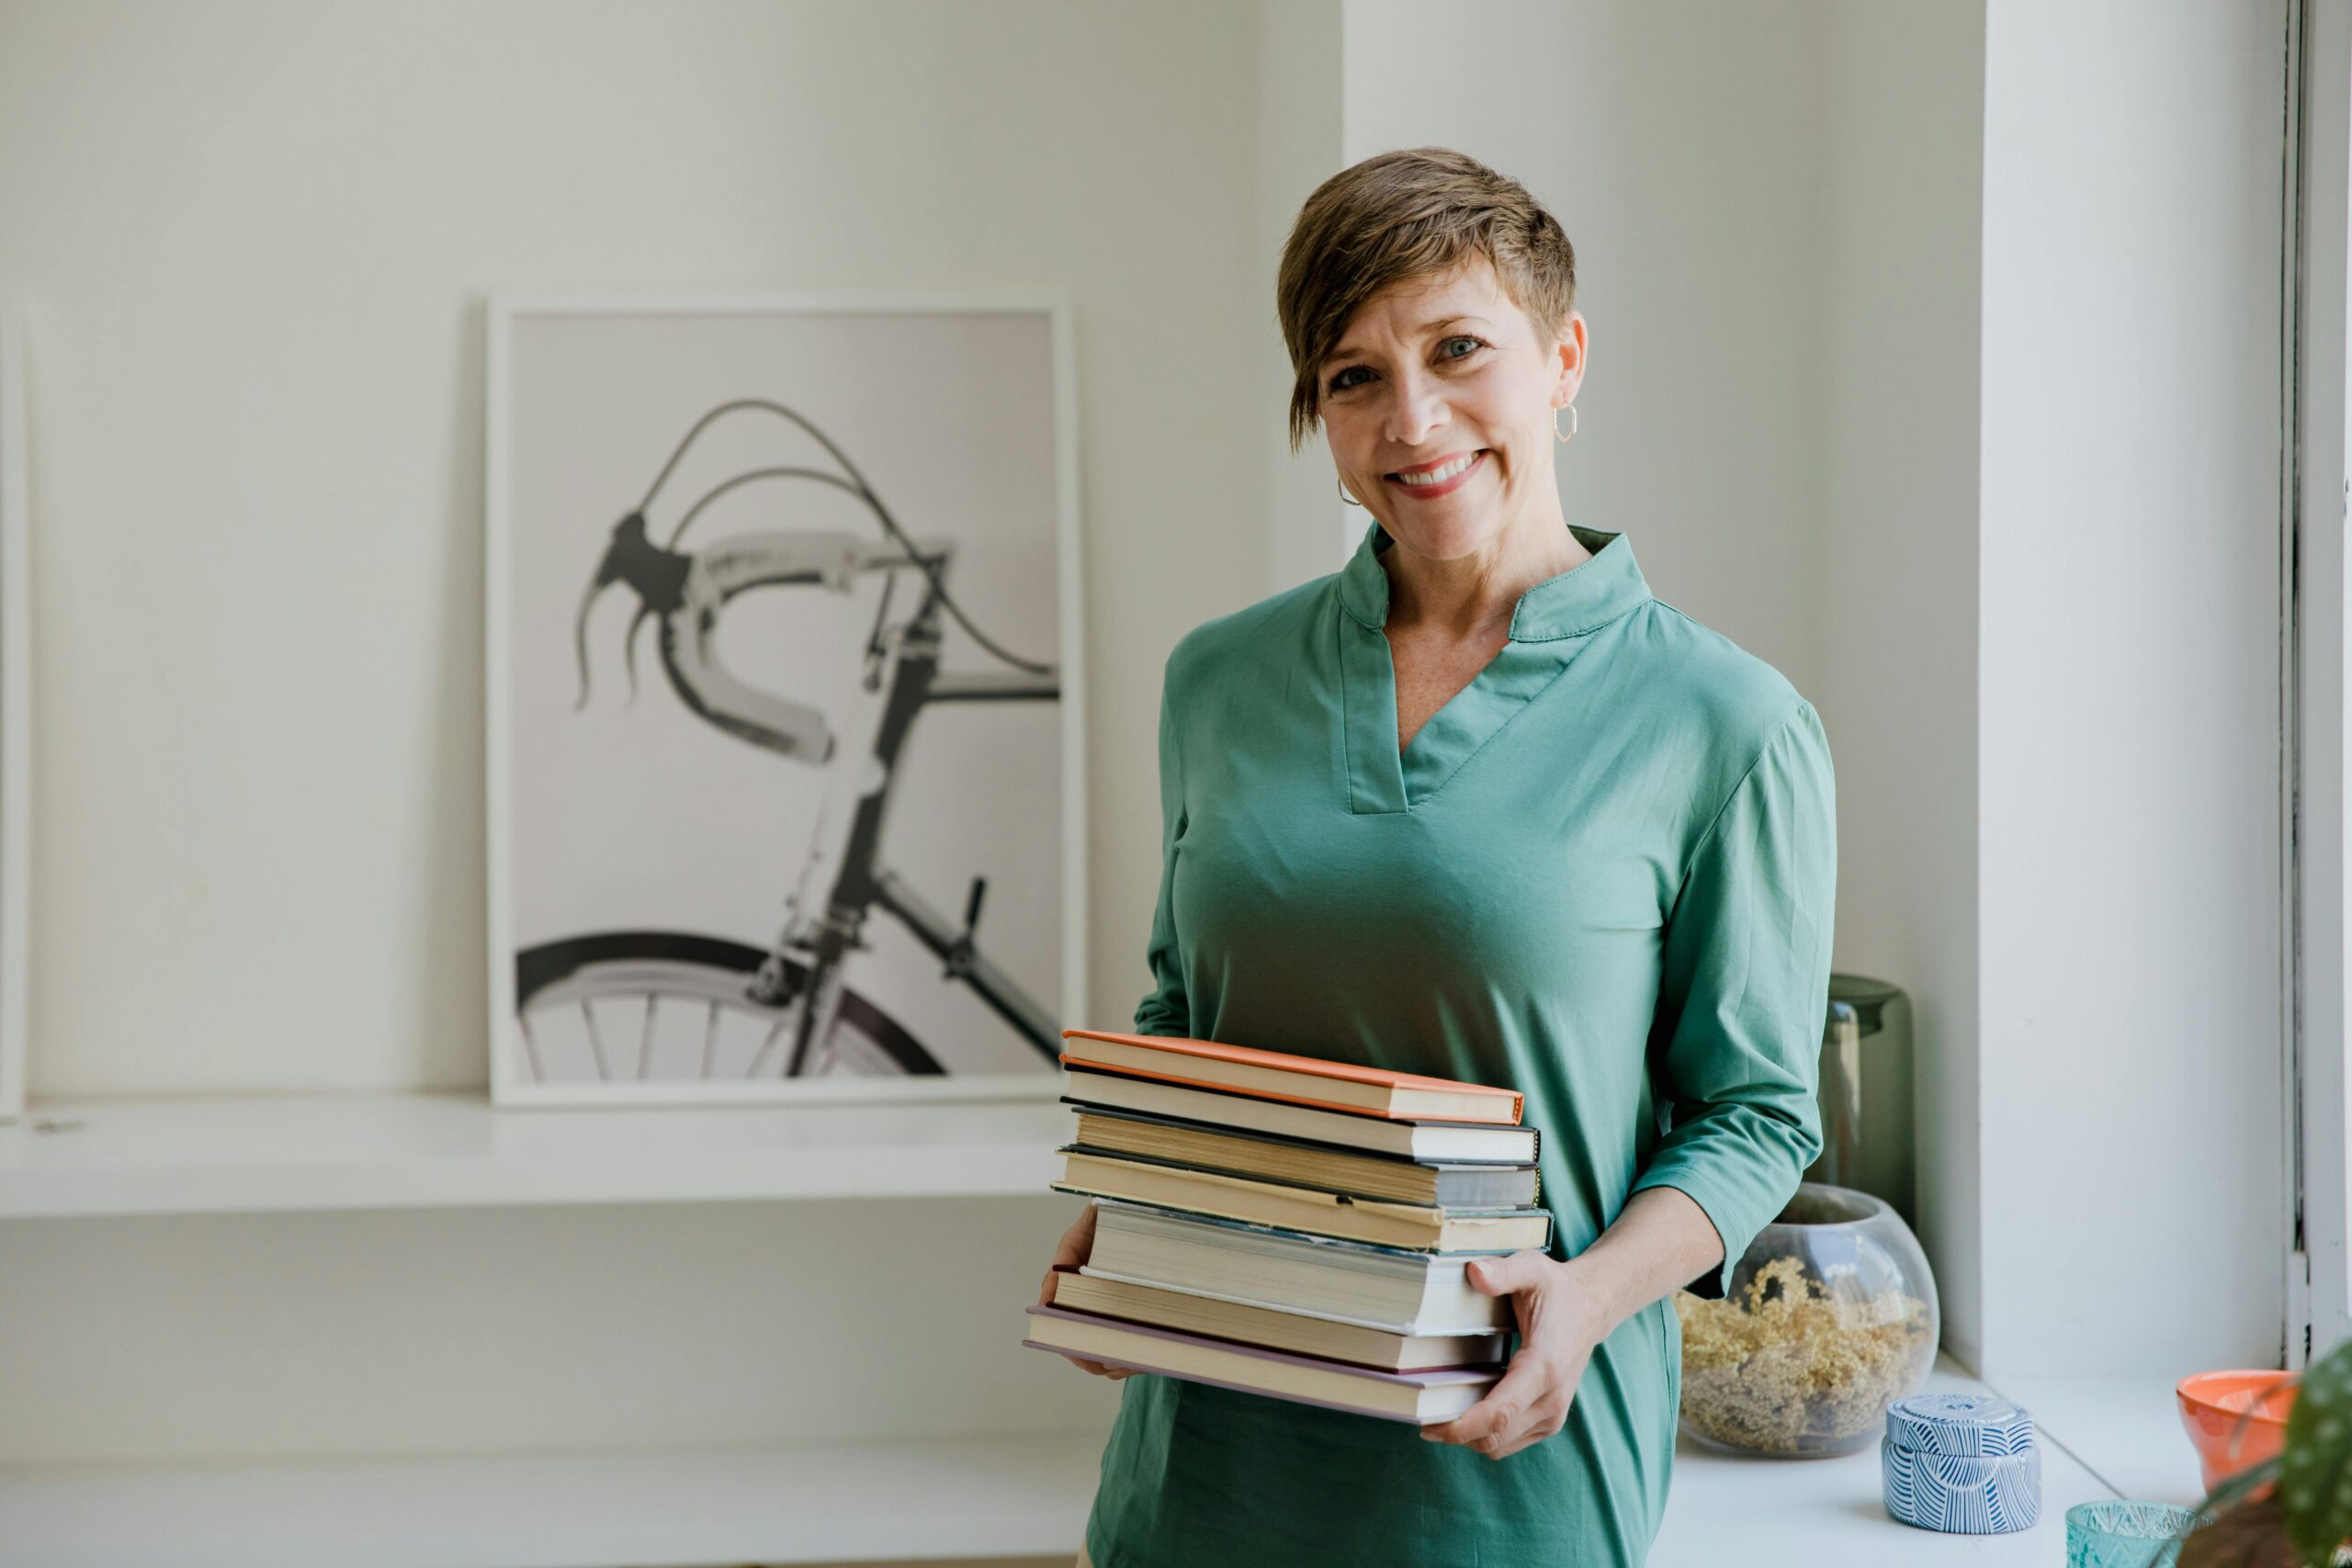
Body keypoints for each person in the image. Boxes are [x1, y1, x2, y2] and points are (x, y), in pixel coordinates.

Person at [1038, 145, 1836, 1568]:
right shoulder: (1216, 681)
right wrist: (1138, 1215)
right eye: (1352, 376)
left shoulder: (1728, 723)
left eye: (1459, 349)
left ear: (1564, 358)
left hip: (1505, 1471)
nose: (1413, 421)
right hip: (1201, 1472)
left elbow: (1756, 1116)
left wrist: (1587, 1297)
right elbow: (1183, 1012)